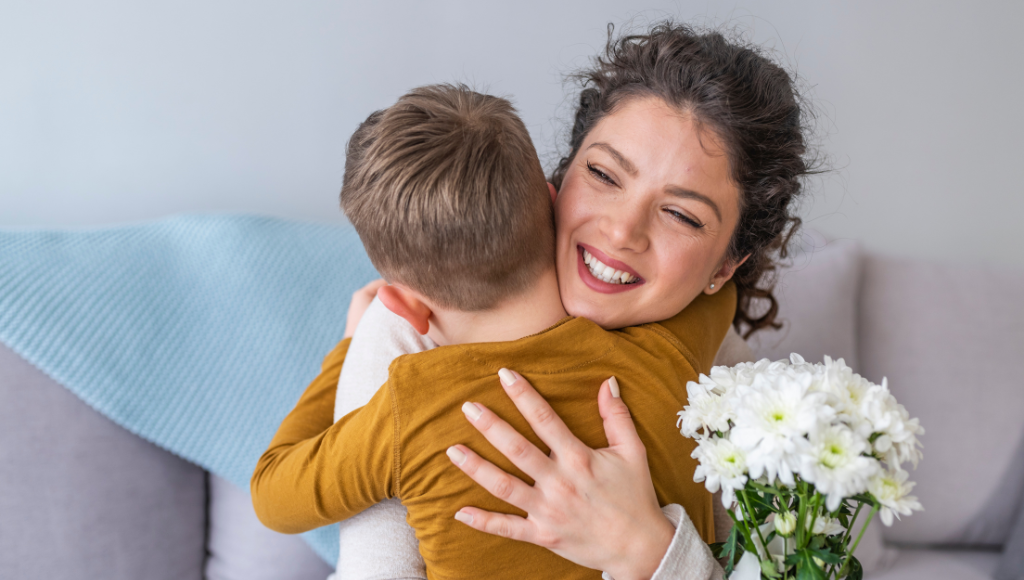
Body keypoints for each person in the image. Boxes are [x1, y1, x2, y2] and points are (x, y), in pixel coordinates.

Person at [250, 82, 741, 580]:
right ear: (551, 203)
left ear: (402, 306)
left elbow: (272, 493)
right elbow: (722, 289)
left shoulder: (409, 409)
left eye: (678, 213)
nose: (621, 233)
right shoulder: (673, 347)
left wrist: (348, 350)